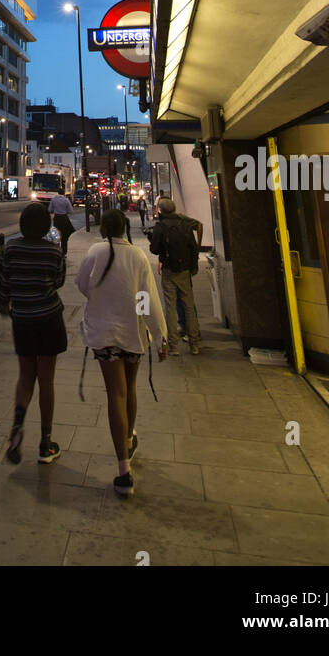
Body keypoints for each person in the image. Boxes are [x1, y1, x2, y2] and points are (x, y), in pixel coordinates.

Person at [77, 209, 167, 499]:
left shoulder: (94, 251)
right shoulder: (138, 257)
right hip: (133, 333)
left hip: (104, 335)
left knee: (115, 393)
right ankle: (129, 437)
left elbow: (82, 284)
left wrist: (102, 299)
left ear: (103, 229)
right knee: (129, 389)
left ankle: (123, 470)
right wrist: (162, 336)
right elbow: (148, 299)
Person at [0, 202, 67, 465]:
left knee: (26, 376)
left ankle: (16, 426)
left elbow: (2, 282)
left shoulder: (11, 249)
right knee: (46, 380)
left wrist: (4, 305)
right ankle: (45, 443)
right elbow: (59, 280)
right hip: (49, 318)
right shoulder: (53, 251)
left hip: (22, 319)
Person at [148, 196, 203, 357]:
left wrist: (152, 240)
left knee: (170, 308)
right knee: (189, 306)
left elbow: (155, 250)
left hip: (168, 270)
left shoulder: (161, 227)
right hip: (185, 270)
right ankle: (194, 344)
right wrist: (194, 265)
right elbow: (192, 247)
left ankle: (174, 346)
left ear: (161, 210)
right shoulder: (185, 224)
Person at [48, 187, 75, 259]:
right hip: (64, 218)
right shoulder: (66, 200)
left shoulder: (53, 200)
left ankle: (56, 250)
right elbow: (71, 211)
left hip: (57, 218)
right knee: (64, 235)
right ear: (64, 193)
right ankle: (64, 252)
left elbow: (50, 210)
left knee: (56, 235)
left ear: (58, 193)